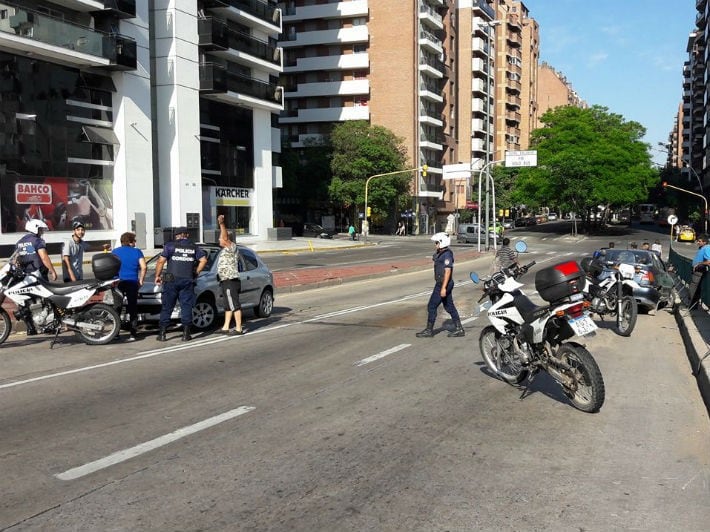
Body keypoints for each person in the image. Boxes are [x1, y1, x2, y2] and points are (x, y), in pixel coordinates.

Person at [154, 227, 207, 342]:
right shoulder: (194, 247)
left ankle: (162, 334)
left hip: (170, 279)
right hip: (187, 279)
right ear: (186, 235)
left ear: (177, 235)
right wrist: (196, 272)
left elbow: (161, 261)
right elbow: (203, 260)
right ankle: (186, 334)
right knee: (186, 306)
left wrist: (157, 276)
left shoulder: (170, 246)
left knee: (167, 306)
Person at [416, 232, 464, 338]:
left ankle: (429, 330)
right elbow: (435, 258)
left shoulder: (447, 255)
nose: (435, 244)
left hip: (443, 284)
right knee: (449, 307)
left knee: (432, 306)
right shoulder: (442, 253)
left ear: (442, 243)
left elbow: (447, 271)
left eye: (437, 243)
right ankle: (459, 328)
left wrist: (443, 288)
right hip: (443, 283)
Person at [112, 232, 147, 341]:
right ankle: (133, 333)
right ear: (131, 241)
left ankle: (116, 333)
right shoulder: (137, 252)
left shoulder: (115, 252)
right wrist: (140, 280)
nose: (135, 243)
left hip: (118, 282)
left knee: (117, 307)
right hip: (132, 282)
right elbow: (144, 267)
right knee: (132, 307)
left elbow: (111, 266)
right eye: (134, 241)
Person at [215, 214, 245, 336]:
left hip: (230, 280)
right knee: (228, 305)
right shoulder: (225, 250)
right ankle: (226, 327)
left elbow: (225, 237)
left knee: (234, 305)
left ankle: (238, 328)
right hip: (225, 280)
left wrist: (221, 224)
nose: (219, 240)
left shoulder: (231, 247)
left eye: (220, 238)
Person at [689, 234, 710, 307]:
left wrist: (698, 264)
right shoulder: (702, 248)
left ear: (704, 242)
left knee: (693, 288)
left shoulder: (707, 248)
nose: (698, 242)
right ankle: (692, 305)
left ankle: (692, 305)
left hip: (699, 271)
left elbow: (708, 261)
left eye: (699, 241)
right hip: (696, 271)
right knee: (695, 288)